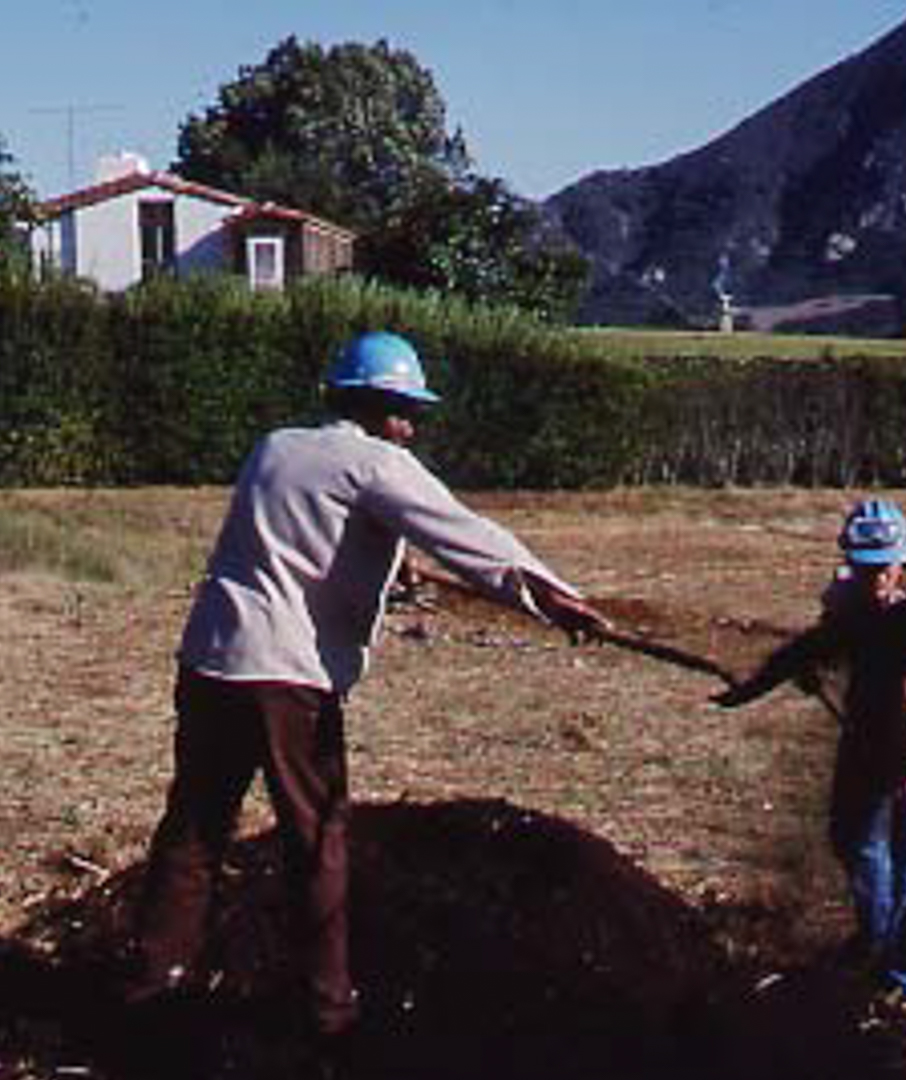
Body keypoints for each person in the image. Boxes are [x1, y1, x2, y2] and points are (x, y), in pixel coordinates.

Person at [124, 330, 609, 1042]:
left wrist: (388, 565)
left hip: (211, 661)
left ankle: (151, 986)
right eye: (405, 409)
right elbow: (466, 537)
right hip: (286, 679)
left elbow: (300, 531)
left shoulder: (277, 446)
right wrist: (552, 598)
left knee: (194, 831)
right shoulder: (379, 463)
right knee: (317, 840)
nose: (411, 426)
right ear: (377, 405)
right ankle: (328, 1012)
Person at [715, 497, 906, 1003]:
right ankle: (877, 941)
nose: (877, 579)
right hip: (869, 719)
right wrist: (760, 685)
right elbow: (814, 646)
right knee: (855, 839)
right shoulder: (844, 598)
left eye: (886, 568)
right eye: (866, 567)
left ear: (904, 562)